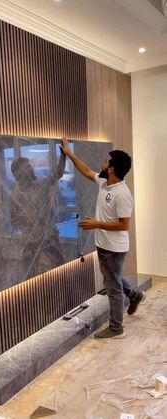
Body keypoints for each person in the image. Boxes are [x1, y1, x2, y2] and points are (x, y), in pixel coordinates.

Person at [60, 137, 145, 340]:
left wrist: (96, 224)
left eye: (107, 162)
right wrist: (69, 153)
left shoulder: (122, 194)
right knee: (112, 278)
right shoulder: (104, 182)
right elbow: (87, 171)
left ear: (112, 169)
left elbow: (125, 225)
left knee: (112, 286)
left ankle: (116, 328)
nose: (103, 163)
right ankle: (135, 295)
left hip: (114, 248)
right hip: (104, 245)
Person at [9, 150, 65, 278]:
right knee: (29, 274)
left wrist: (63, 155)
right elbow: (13, 220)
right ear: (19, 174)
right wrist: (28, 221)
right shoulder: (15, 196)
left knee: (61, 267)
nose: (31, 168)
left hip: (49, 234)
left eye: (30, 165)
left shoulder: (40, 184)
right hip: (30, 239)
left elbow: (58, 174)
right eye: (27, 166)